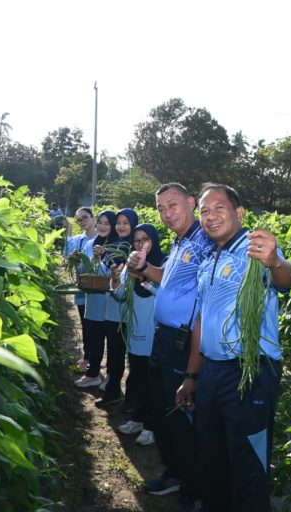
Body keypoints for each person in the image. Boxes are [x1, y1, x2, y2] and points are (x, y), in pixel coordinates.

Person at [176, 183, 291, 512]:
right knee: (212, 461)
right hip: (212, 372)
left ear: (239, 213)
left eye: (219, 208)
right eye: (204, 211)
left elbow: (287, 278)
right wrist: (191, 376)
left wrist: (274, 262)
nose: (210, 216)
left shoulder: (255, 250)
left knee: (249, 470)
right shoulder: (208, 260)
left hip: (251, 371)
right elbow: (202, 322)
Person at [126, 183, 212, 511]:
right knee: (165, 413)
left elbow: (206, 300)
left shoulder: (205, 242)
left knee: (182, 416)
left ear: (191, 203)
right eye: (161, 208)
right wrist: (144, 269)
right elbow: (169, 280)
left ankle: (194, 489)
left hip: (183, 342)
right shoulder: (180, 242)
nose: (166, 213)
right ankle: (175, 471)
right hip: (162, 338)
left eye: (172, 205)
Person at [113, 223, 166, 445]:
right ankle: (135, 418)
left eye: (145, 239)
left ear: (154, 241)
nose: (140, 244)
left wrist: (147, 281)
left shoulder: (164, 265)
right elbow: (120, 295)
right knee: (135, 376)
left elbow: (167, 297)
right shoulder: (131, 264)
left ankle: (151, 426)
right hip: (135, 330)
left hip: (153, 332)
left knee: (153, 381)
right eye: (136, 240)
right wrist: (117, 279)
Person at [96, 207, 137, 407]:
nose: (121, 227)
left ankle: (129, 399)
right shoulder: (112, 245)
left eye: (125, 223)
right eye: (119, 223)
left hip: (127, 311)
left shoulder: (134, 250)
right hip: (111, 308)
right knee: (113, 353)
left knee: (128, 357)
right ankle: (113, 392)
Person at [74, 210, 117, 389]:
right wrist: (79, 260)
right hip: (92, 299)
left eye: (107, 223)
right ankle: (93, 374)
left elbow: (111, 275)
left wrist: (102, 258)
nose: (103, 226)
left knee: (112, 342)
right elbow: (84, 270)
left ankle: (111, 378)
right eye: (101, 222)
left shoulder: (117, 246)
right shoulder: (91, 244)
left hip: (110, 301)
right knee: (94, 337)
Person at [65, 207, 97, 371]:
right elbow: (68, 256)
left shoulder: (102, 239)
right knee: (85, 323)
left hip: (97, 289)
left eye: (85, 218)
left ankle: (94, 360)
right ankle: (86, 356)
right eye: (79, 220)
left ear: (93, 217)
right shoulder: (78, 240)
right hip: (82, 287)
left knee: (95, 326)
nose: (82, 221)